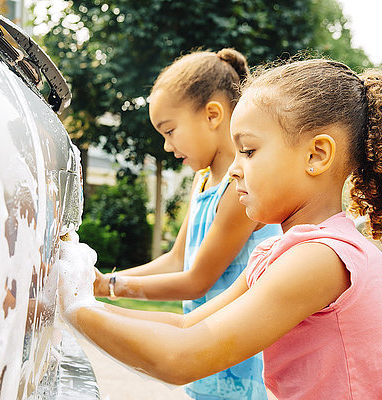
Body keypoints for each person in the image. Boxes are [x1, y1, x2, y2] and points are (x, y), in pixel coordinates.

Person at [57, 59, 382, 399]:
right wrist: (82, 299)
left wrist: (74, 308)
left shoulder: (322, 258)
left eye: (249, 151)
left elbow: (181, 357)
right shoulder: (277, 252)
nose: (234, 168)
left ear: (316, 155)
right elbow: (185, 324)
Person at [93, 48, 281, 400]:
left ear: (212, 115)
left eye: (170, 130)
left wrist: (108, 288)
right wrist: (106, 281)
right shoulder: (204, 180)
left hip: (237, 366)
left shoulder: (240, 192)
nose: (166, 146)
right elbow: (176, 259)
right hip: (206, 359)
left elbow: (196, 281)